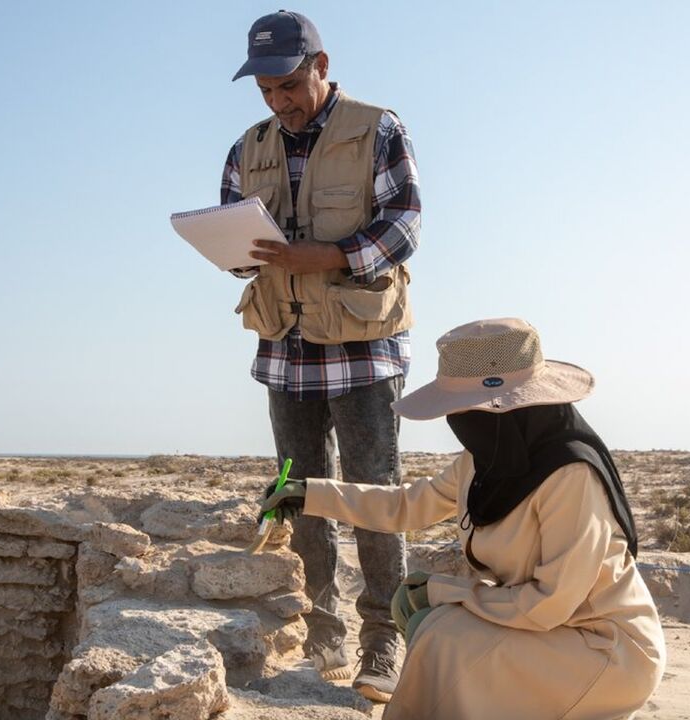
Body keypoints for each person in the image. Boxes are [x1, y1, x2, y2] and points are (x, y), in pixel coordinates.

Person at [263, 318, 666, 719]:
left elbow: (549, 605)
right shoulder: (484, 461)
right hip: (545, 632)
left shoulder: (570, 476)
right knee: (438, 628)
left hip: (604, 650)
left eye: (462, 410)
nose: (457, 423)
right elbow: (407, 505)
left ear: (501, 408)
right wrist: (310, 493)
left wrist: (442, 592)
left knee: (443, 636)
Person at [222, 9, 422, 701]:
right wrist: (232, 255)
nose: (278, 99)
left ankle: (384, 640)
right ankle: (324, 633)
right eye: (266, 89)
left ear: (322, 66)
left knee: (374, 500)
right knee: (302, 495)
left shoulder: (379, 128)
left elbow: (405, 224)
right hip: (285, 350)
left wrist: (332, 254)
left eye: (288, 83)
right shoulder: (246, 147)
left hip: (364, 351)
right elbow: (234, 233)